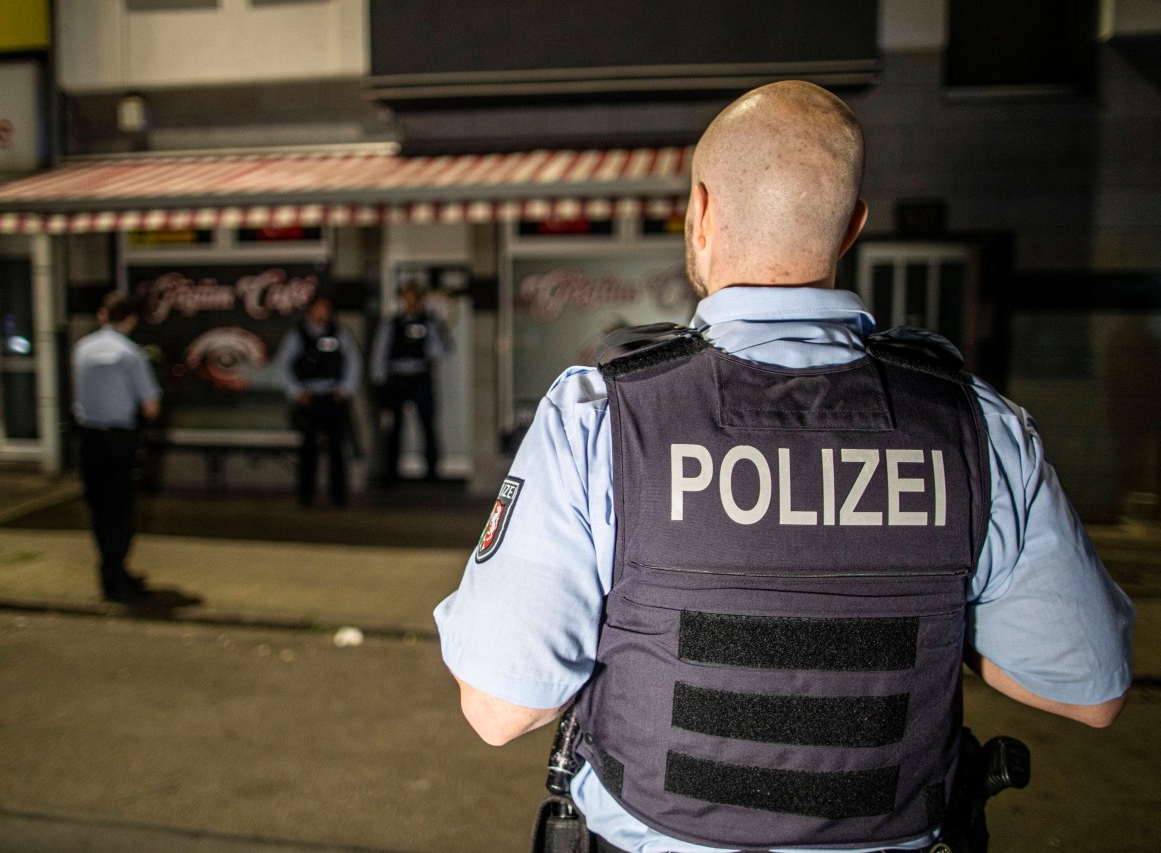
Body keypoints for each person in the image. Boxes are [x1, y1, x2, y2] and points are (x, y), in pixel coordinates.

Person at [434, 81, 1135, 853]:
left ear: (700, 213)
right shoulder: (976, 426)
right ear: (851, 228)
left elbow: (500, 708)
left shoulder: (601, 417)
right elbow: (1090, 690)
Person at [71, 291, 162, 603]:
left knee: (99, 509)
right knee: (121, 509)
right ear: (131, 319)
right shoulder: (131, 354)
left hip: (88, 437)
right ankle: (115, 573)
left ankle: (109, 571)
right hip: (120, 439)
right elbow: (150, 405)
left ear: (102, 315)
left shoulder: (81, 349)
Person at [276, 294, 361, 507]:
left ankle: (338, 497)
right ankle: (306, 496)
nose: (323, 313)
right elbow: (282, 366)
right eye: (319, 308)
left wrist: (345, 389)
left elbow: (354, 361)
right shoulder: (298, 335)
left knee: (336, 448)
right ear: (310, 311)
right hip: (309, 398)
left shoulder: (339, 334)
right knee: (308, 449)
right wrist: (297, 391)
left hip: (332, 396)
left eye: (327, 309)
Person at [370, 281, 448, 481]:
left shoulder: (428, 321)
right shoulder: (392, 323)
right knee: (394, 426)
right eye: (407, 297)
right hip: (397, 378)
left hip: (420, 376)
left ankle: (432, 471)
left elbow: (439, 350)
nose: (410, 302)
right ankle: (391, 471)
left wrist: (431, 335)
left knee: (427, 423)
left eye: (414, 297)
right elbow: (380, 352)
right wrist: (379, 381)